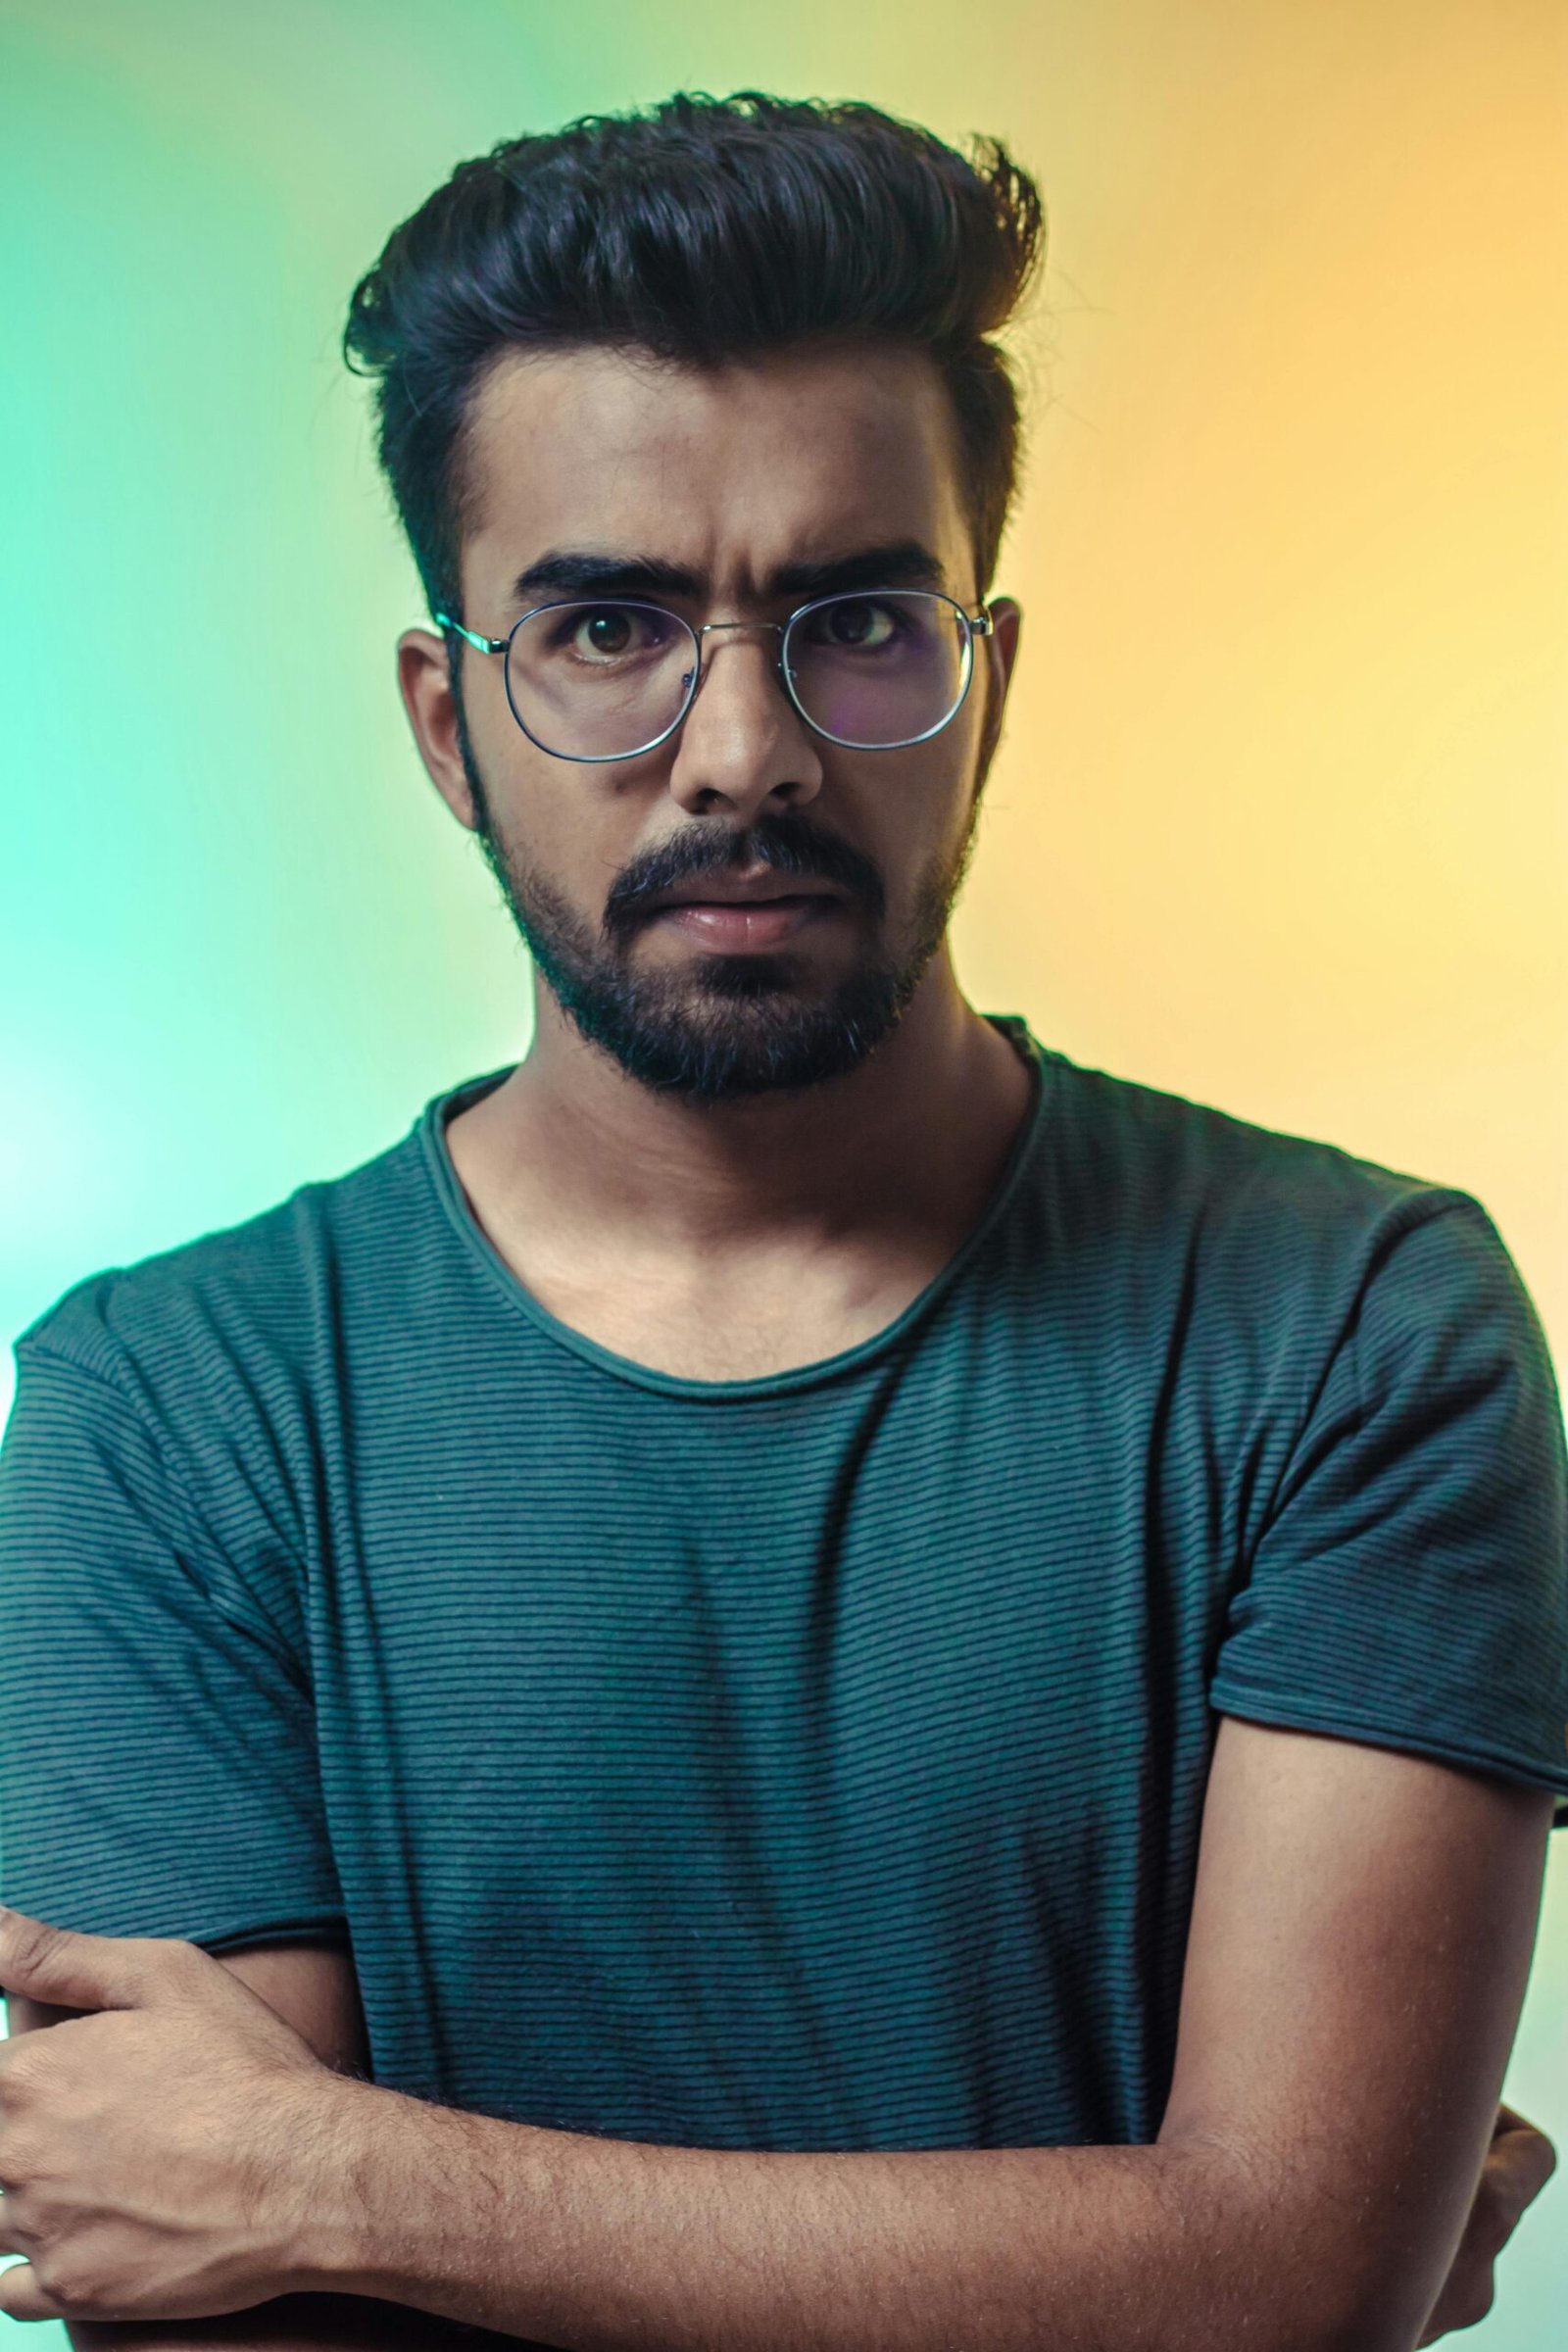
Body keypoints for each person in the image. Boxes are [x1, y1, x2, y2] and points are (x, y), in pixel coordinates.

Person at [1, 90, 1564, 2352]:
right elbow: (221, 2301)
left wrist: (346, 2179)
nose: (739, 751)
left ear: (983, 684)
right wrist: (1143, 2260)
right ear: (449, 722)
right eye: (609, 627)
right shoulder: (168, 1413)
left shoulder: (1349, 1331)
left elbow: (1283, 2274)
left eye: (852, 620)